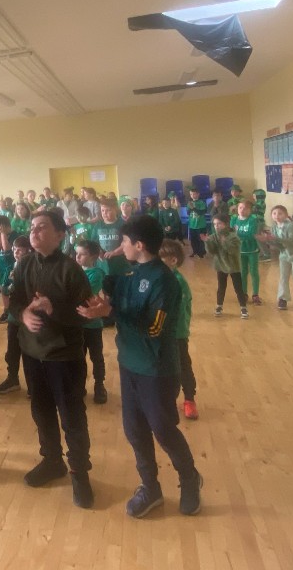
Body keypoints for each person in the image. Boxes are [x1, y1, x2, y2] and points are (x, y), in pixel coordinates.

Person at [78, 214, 202, 518]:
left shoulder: (165, 281)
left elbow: (154, 328)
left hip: (157, 368)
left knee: (163, 428)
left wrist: (111, 312)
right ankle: (150, 487)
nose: (121, 246)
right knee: (134, 429)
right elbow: (110, 295)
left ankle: (189, 479)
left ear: (139, 245)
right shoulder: (130, 274)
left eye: (124, 241)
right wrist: (102, 303)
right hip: (129, 364)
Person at [9, 211, 94, 508]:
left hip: (64, 355)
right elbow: (14, 301)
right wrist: (23, 313)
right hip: (32, 353)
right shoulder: (24, 264)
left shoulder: (71, 270)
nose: (34, 231)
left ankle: (79, 472)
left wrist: (53, 308)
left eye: (42, 227)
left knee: (72, 416)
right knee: (41, 410)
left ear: (59, 234)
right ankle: (52, 461)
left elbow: (85, 315)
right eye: (32, 227)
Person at [160, 240, 197, 420]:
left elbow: (175, 311)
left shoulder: (178, 282)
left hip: (177, 334)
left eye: (161, 259)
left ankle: (189, 399)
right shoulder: (161, 278)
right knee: (163, 367)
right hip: (162, 333)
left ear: (173, 260)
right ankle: (165, 400)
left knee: (183, 366)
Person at [0, 236, 32, 395]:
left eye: (20, 250)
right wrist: (9, 284)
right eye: (15, 249)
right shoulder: (11, 267)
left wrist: (17, 281)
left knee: (30, 352)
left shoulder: (34, 267)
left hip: (29, 315)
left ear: (28, 251)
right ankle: (12, 378)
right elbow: (4, 289)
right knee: (12, 350)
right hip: (14, 315)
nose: (16, 252)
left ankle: (33, 385)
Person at [74, 239, 108, 404]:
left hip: (93, 324)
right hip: (77, 324)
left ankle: (99, 385)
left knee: (96, 357)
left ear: (93, 256)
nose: (78, 257)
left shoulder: (97, 273)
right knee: (79, 357)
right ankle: (80, 385)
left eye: (83, 254)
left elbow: (84, 295)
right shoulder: (75, 271)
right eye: (77, 253)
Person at [264, 205, 293, 311]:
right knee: (283, 277)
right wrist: (267, 240)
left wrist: (275, 238)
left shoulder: (291, 225)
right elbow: (278, 245)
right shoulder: (274, 227)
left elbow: (291, 241)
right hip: (284, 255)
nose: (277, 216)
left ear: (286, 215)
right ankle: (283, 298)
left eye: (280, 213)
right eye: (274, 213)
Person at [202, 215, 248, 319]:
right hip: (220, 265)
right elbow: (212, 251)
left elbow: (233, 251)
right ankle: (219, 306)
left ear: (226, 224)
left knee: (238, 288)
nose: (216, 226)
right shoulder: (213, 237)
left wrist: (225, 242)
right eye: (215, 224)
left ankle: (243, 308)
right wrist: (207, 242)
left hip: (233, 266)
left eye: (219, 224)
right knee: (221, 287)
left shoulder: (233, 237)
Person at [231, 200, 264, 306]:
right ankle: (244, 293)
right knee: (243, 273)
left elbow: (251, 234)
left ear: (250, 210)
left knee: (254, 272)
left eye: (245, 208)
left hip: (252, 250)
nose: (242, 210)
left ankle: (255, 294)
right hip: (240, 250)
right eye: (240, 208)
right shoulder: (234, 219)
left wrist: (237, 236)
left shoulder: (252, 220)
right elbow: (230, 233)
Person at [186, 187, 208, 259]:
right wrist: (190, 208)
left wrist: (193, 208)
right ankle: (195, 251)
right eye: (191, 194)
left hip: (201, 225)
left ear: (198, 194)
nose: (192, 196)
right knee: (193, 240)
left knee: (201, 240)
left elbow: (201, 212)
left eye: (194, 194)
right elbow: (188, 213)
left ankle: (201, 252)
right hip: (192, 225)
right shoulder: (189, 203)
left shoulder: (201, 202)